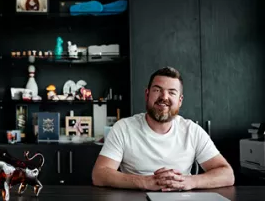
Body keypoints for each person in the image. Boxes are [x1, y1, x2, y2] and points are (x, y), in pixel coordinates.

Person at [92, 67, 234, 191]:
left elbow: (227, 174)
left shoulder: (192, 131)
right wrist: (145, 182)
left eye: (172, 92)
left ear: (180, 100)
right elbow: (99, 174)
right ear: (147, 94)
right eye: (157, 90)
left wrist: (189, 181)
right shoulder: (123, 128)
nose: (164, 97)